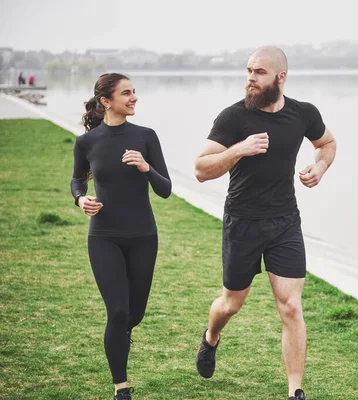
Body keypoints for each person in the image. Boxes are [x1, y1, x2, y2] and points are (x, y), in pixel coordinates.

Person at [194, 46, 337, 400]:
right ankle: (211, 337)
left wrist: (319, 167)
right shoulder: (233, 118)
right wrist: (238, 149)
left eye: (258, 72)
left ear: (280, 77)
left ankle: (295, 391)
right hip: (242, 220)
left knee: (290, 305)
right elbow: (200, 169)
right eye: (248, 71)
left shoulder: (303, 114)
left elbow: (328, 143)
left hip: (285, 221)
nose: (250, 79)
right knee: (231, 303)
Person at [70, 73, 171, 400]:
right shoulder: (87, 142)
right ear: (106, 101)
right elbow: (77, 180)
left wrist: (145, 167)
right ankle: (121, 389)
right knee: (117, 312)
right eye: (126, 93)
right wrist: (80, 198)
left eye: (134, 92)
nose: (134, 98)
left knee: (133, 315)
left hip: (143, 236)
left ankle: (121, 333)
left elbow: (165, 189)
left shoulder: (146, 137)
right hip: (104, 237)